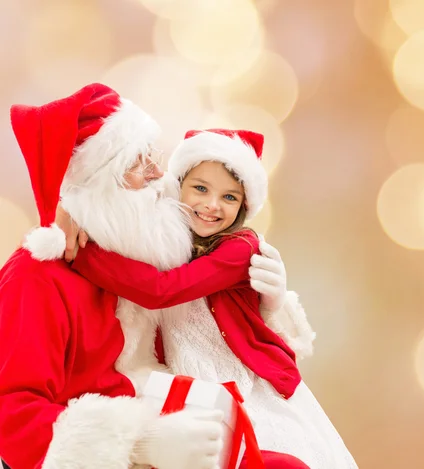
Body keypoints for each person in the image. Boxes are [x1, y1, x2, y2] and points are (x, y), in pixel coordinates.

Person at [0, 83, 305, 469]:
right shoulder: (36, 277)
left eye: (154, 155)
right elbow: (12, 418)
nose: (160, 173)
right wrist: (140, 446)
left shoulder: (133, 259)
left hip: (172, 416)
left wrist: (272, 306)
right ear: (98, 181)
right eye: (137, 162)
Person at [68, 129, 358, 469]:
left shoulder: (240, 248)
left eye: (230, 197)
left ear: (244, 206)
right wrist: (79, 216)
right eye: (201, 188)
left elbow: (163, 290)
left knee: (267, 454)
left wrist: (83, 254)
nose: (212, 205)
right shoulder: (168, 238)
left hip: (243, 383)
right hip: (188, 383)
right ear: (178, 186)